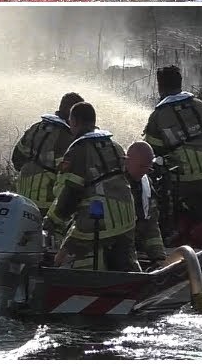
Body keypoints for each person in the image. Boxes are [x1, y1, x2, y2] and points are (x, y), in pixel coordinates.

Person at [44, 102, 137, 272]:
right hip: (127, 218)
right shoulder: (113, 145)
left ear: (74, 122)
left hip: (98, 222)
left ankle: (78, 289)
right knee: (125, 262)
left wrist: (51, 222)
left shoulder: (77, 150)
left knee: (65, 255)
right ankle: (136, 289)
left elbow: (71, 193)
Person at [143, 65, 202, 226]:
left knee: (152, 177)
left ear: (159, 86)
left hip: (187, 183)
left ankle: (164, 224)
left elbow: (151, 154)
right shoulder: (201, 105)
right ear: (180, 83)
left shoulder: (158, 116)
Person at [10, 92, 84, 212]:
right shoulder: (67, 137)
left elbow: (16, 158)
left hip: (22, 198)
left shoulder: (37, 128)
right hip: (47, 203)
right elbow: (68, 181)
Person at [125, 141, 166, 267]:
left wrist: (158, 257)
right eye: (141, 166)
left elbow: (151, 223)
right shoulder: (113, 183)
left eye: (147, 168)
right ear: (127, 161)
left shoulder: (146, 184)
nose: (144, 171)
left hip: (135, 243)